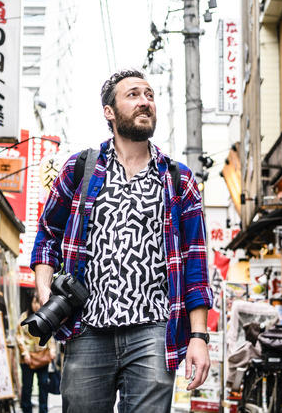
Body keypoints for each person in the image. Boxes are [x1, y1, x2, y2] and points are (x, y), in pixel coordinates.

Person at [31, 68, 213, 412]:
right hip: (87, 328)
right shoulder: (79, 169)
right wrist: (45, 293)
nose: (145, 101)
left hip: (154, 331)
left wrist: (199, 337)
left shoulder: (178, 179)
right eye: (133, 95)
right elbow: (47, 235)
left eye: (149, 95)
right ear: (109, 112)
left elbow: (196, 267)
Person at [17, 293, 57, 413]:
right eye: (34, 302)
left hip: (43, 357)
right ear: (30, 303)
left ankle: (43, 410)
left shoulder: (46, 316)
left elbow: (51, 336)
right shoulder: (24, 317)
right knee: (27, 386)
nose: (36, 305)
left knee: (44, 385)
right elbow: (19, 337)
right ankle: (26, 409)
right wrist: (25, 353)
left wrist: (52, 350)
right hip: (28, 358)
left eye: (37, 302)